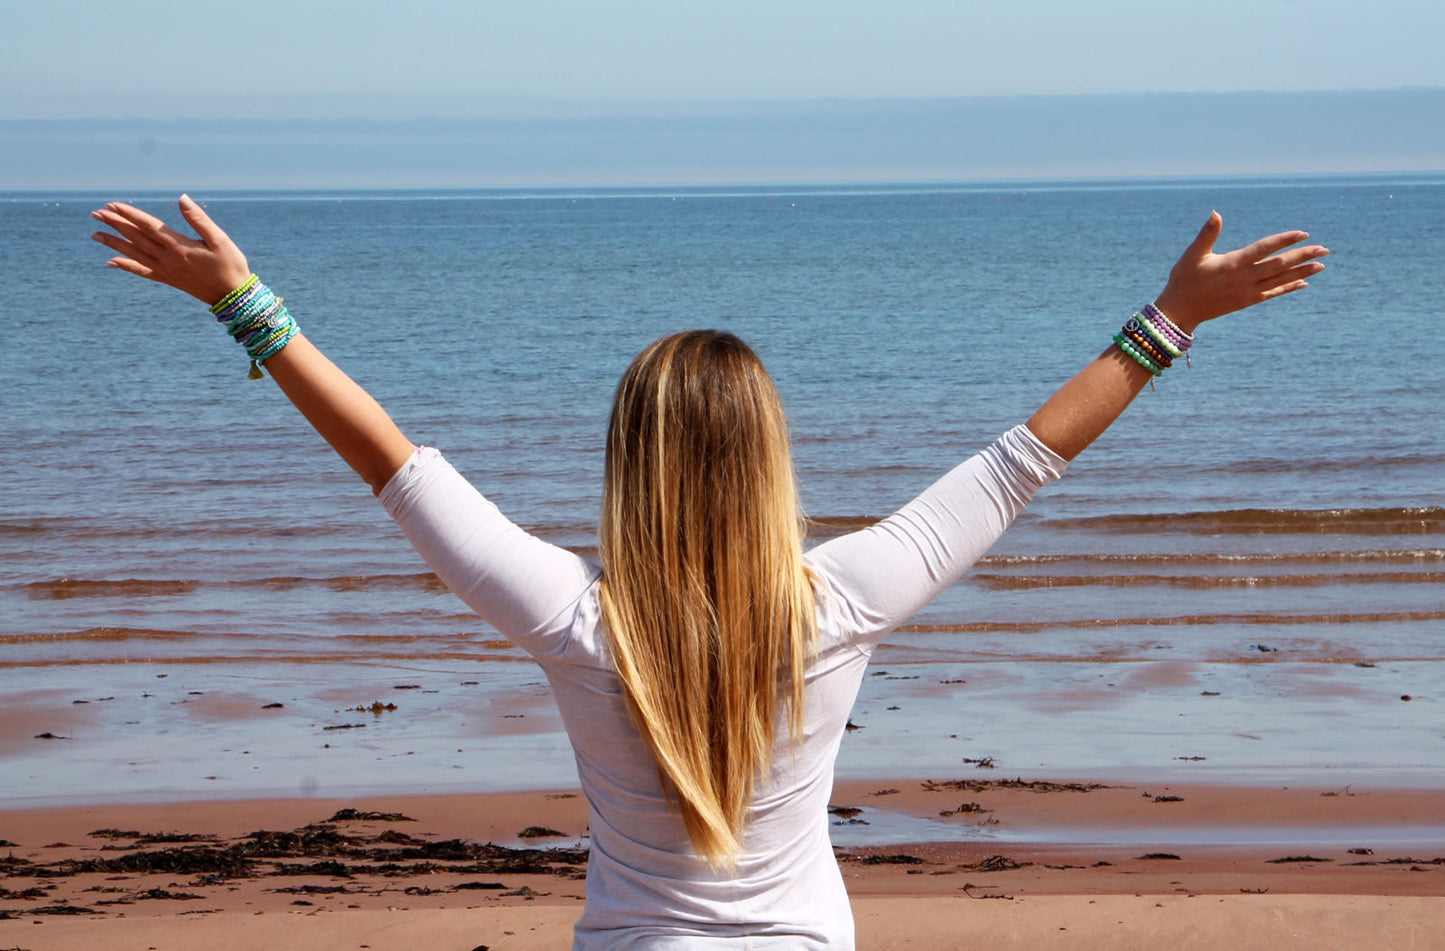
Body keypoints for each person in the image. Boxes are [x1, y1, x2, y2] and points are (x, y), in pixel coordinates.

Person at [90, 196, 1326, 948]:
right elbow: (1018, 465)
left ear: (627, 462)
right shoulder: (840, 602)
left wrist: (245, 303)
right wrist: (1169, 322)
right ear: (771, 461)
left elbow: (395, 466)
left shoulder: (578, 621)